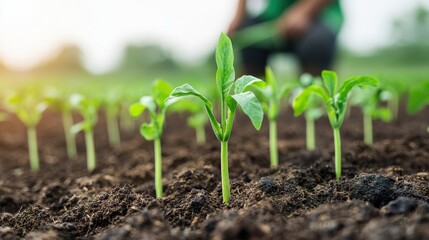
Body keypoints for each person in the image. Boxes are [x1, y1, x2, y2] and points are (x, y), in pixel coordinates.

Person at [228, 0, 343, 77]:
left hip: (319, 14)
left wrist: (303, 12)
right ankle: (252, 98)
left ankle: (314, 100)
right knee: (248, 36)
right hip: (275, 16)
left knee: (317, 42)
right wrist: (238, 16)